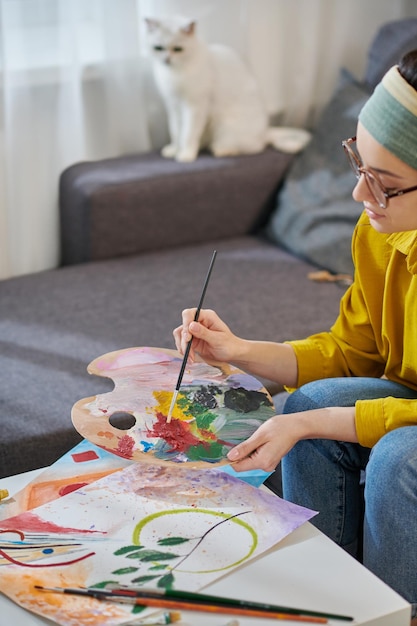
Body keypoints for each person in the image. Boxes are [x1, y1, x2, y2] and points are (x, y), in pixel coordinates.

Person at [173, 49, 417, 623]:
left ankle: (392, 614)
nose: (360, 197)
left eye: (385, 185)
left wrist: (306, 423)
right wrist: (238, 352)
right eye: (358, 166)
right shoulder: (379, 232)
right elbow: (351, 353)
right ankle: (328, 600)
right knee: (309, 403)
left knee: (398, 459)